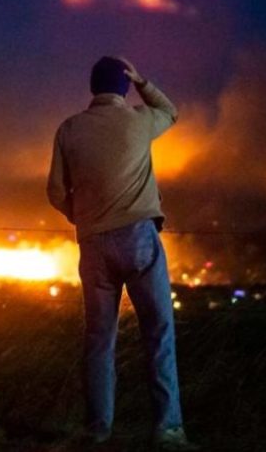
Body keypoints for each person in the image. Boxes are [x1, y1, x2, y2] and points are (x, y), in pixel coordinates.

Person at [47, 56, 197, 450]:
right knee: (159, 333)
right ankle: (167, 430)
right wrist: (144, 81)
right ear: (124, 86)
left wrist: (82, 217)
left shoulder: (69, 129)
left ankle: (98, 430)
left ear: (91, 88)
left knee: (99, 339)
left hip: (93, 244)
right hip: (139, 237)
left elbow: (56, 193)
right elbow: (171, 111)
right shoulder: (139, 120)